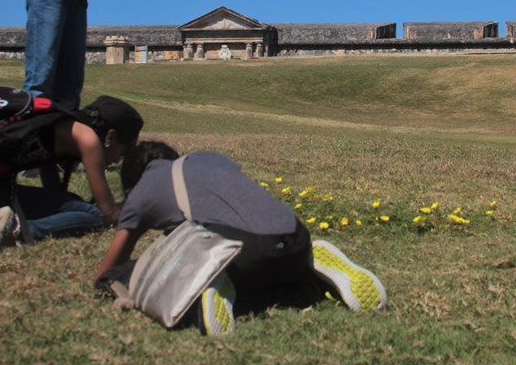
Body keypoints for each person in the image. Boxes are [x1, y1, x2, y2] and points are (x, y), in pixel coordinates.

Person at [94, 142, 387, 337]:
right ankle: (311, 265)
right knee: (266, 261)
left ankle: (215, 284)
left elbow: (109, 267)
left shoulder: (143, 189)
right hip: (296, 237)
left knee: (121, 274)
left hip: (241, 252)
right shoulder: (210, 158)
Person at [0, 96, 143, 265]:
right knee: (96, 217)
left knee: (73, 202)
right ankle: (14, 231)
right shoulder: (87, 138)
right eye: (122, 152)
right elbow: (108, 213)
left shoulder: (55, 120)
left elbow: (54, 192)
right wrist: (133, 211)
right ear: (110, 137)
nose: (117, 159)